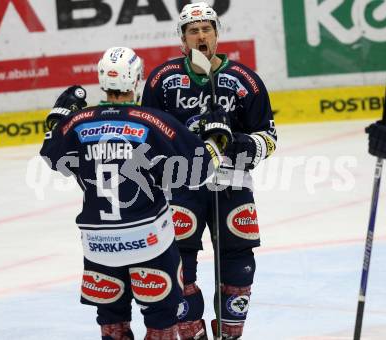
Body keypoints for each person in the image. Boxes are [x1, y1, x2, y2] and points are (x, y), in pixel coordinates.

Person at [40, 47, 219, 340]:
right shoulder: (151, 121)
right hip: (148, 240)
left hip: (98, 244)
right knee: (161, 318)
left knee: (112, 322)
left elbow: (52, 157)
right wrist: (216, 137)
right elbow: (200, 168)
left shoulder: (78, 122)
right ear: (136, 79)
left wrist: (57, 121)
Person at [142, 2, 277, 339]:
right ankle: (191, 332)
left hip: (233, 184)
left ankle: (231, 332)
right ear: (183, 38)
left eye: (206, 29)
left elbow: (269, 138)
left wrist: (236, 143)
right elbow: (147, 138)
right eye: (193, 30)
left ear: (217, 34)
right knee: (179, 262)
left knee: (239, 263)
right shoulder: (162, 80)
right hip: (183, 185)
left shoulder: (244, 81)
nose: (200, 36)